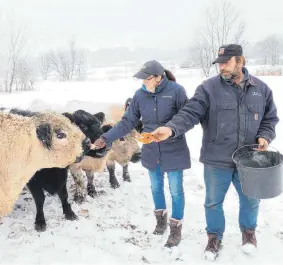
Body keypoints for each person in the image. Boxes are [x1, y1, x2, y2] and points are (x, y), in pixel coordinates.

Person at [150, 44, 279, 259]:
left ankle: (248, 234)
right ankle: (214, 237)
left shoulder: (261, 89)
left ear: (240, 61)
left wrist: (265, 136)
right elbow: (190, 112)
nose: (222, 67)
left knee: (251, 200)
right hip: (216, 159)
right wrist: (171, 128)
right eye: (219, 63)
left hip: (250, 160)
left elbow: (270, 119)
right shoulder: (208, 88)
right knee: (212, 202)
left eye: (226, 62)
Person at [94, 60, 191, 248]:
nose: (143, 82)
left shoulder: (176, 91)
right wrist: (105, 138)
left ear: (158, 77)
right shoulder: (140, 95)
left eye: (146, 79)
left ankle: (176, 227)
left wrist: (170, 130)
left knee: (176, 190)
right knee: (156, 188)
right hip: (151, 150)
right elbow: (126, 122)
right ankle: (161, 221)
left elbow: (187, 118)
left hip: (174, 149)